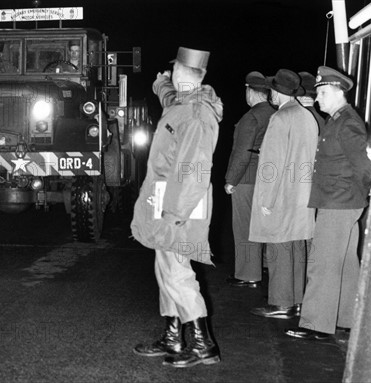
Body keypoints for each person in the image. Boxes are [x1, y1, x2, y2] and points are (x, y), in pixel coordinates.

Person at [130, 47, 223, 368]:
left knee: (177, 272)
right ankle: (172, 335)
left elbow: (194, 172)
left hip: (181, 205)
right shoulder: (184, 103)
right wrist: (160, 85)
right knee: (165, 269)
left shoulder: (197, 115)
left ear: (182, 72)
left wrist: (175, 215)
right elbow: (170, 99)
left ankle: (202, 344)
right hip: (166, 199)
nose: (170, 76)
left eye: (172, 72)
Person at [285, 66, 371, 340]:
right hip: (343, 201)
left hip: (339, 202)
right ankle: (347, 319)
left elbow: (364, 167)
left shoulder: (347, 123)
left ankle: (315, 324)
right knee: (345, 263)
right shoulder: (339, 119)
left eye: (322, 92)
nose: (318, 98)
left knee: (323, 262)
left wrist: (362, 193)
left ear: (337, 92)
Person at [248, 69, 318, 319]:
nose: (270, 95)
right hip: (303, 196)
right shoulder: (307, 117)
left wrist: (267, 199)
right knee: (298, 249)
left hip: (282, 196)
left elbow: (272, 164)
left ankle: (280, 303)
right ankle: (298, 300)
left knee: (278, 249)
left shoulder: (281, 118)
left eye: (272, 91)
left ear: (278, 93)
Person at [225, 71, 275, 288]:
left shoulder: (251, 117)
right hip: (267, 178)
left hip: (246, 179)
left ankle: (248, 274)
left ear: (252, 92)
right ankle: (262, 265)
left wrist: (231, 179)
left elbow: (242, 151)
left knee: (244, 227)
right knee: (262, 225)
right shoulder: (274, 114)